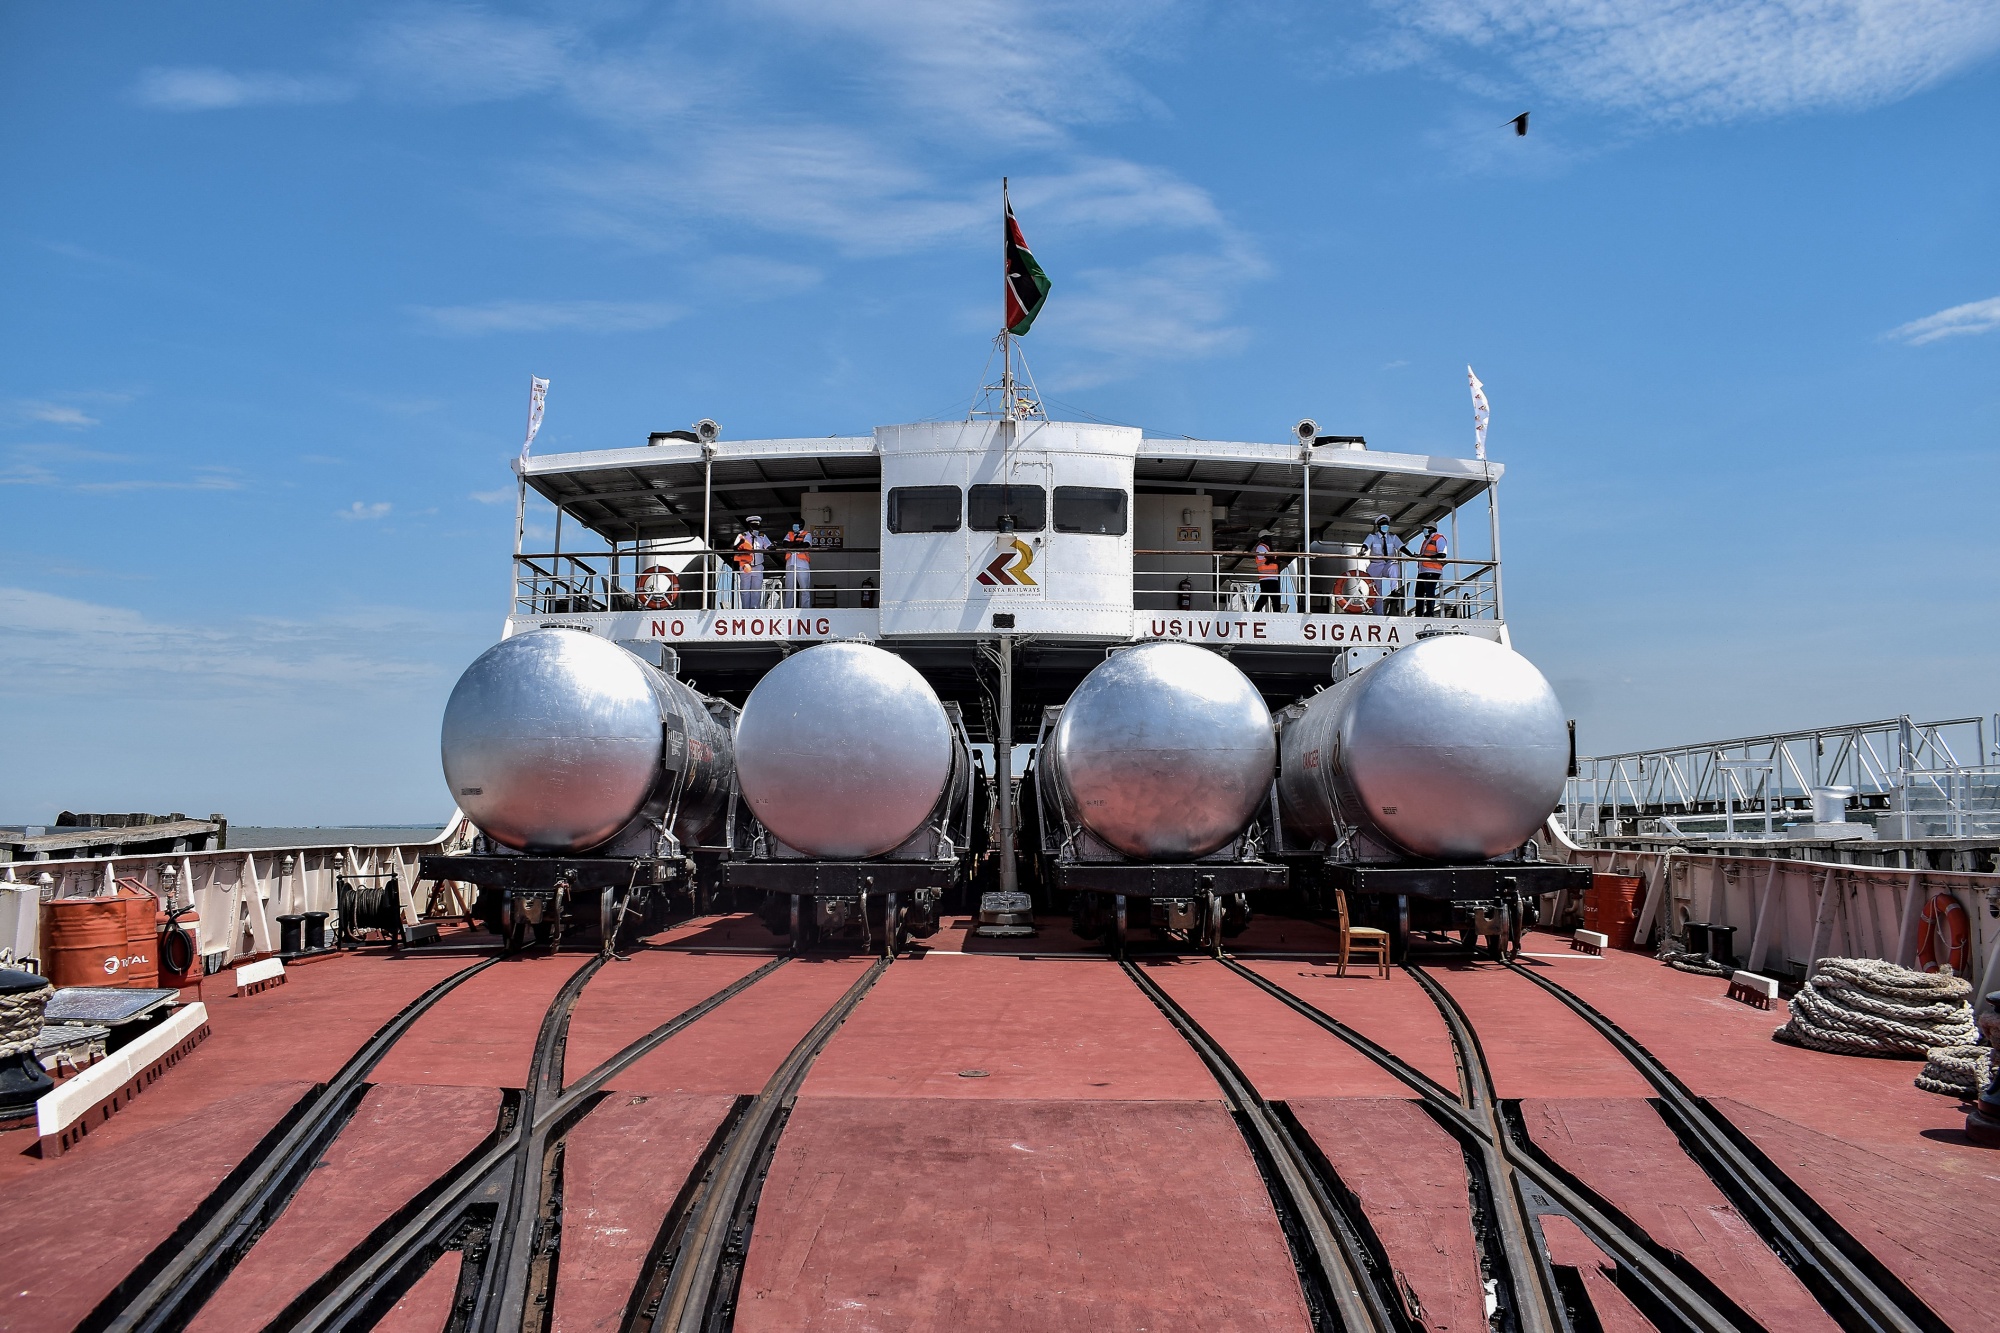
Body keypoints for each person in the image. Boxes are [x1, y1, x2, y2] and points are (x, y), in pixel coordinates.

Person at [1362, 517, 1402, 614]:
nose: (1386, 526)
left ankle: (1394, 590)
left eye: (1387, 524)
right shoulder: (1372, 537)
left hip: (1387, 563)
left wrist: (1411, 556)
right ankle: (1378, 613)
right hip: (1376, 564)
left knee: (1394, 567)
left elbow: (1401, 547)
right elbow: (1366, 545)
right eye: (1383, 524)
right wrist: (1362, 551)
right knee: (1376, 590)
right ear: (1379, 526)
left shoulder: (1393, 537)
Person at [732, 516, 771, 608]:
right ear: (750, 526)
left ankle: (755, 608)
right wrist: (740, 542)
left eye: (758, 526)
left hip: (758, 566)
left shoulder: (762, 536)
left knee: (756, 590)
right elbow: (734, 548)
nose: (756, 528)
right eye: (754, 526)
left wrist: (772, 546)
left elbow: (768, 546)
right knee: (745, 589)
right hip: (745, 565)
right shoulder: (742, 536)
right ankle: (745, 609)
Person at [1411, 523, 1447, 617]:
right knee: (1419, 593)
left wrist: (1426, 557)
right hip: (1423, 570)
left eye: (1425, 528)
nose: (1424, 530)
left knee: (1429, 592)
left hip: (1432, 570)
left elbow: (1442, 554)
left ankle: (1429, 612)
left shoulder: (1439, 538)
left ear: (1431, 529)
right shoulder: (1426, 541)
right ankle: (1419, 613)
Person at [782, 520, 814, 608]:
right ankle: (788, 608)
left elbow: (805, 545)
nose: (793, 526)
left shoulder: (807, 534)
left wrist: (792, 544)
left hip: (802, 564)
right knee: (789, 588)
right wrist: (797, 543)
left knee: (804, 588)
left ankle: (805, 609)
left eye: (795, 524)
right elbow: (784, 544)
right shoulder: (789, 534)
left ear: (801, 525)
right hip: (790, 563)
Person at [1252, 535, 1281, 611]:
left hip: (1271, 577)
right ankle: (1255, 611)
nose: (1270, 539)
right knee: (1266, 597)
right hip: (1266, 577)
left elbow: (1269, 559)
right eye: (1268, 537)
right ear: (1263, 539)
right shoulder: (1261, 547)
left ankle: (1276, 613)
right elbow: (1269, 559)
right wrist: (1275, 560)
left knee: (1273, 598)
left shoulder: (1266, 548)